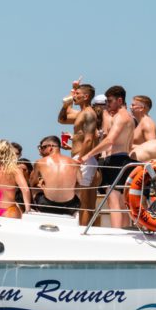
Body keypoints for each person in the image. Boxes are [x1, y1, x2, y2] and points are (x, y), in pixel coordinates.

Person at [80, 85, 134, 228]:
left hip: (116, 160)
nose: (107, 105)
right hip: (124, 159)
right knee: (122, 202)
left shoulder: (121, 117)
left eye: (109, 101)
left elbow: (110, 140)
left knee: (113, 199)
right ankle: (125, 232)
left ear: (120, 100)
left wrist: (87, 155)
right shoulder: (128, 117)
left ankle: (117, 233)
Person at [58, 80, 100, 225]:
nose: (74, 96)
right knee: (81, 200)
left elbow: (88, 140)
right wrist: (65, 104)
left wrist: (80, 158)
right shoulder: (81, 113)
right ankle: (83, 228)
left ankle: (84, 231)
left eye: (77, 94)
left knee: (85, 202)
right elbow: (62, 119)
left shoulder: (89, 114)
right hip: (79, 158)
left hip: (84, 160)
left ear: (86, 96)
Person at [30, 135, 81, 216]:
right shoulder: (74, 162)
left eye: (42, 147)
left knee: (34, 188)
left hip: (47, 206)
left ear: (50, 147)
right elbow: (80, 183)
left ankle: (32, 211)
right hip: (71, 206)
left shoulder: (40, 162)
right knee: (78, 187)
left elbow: (32, 183)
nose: (40, 151)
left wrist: (43, 185)